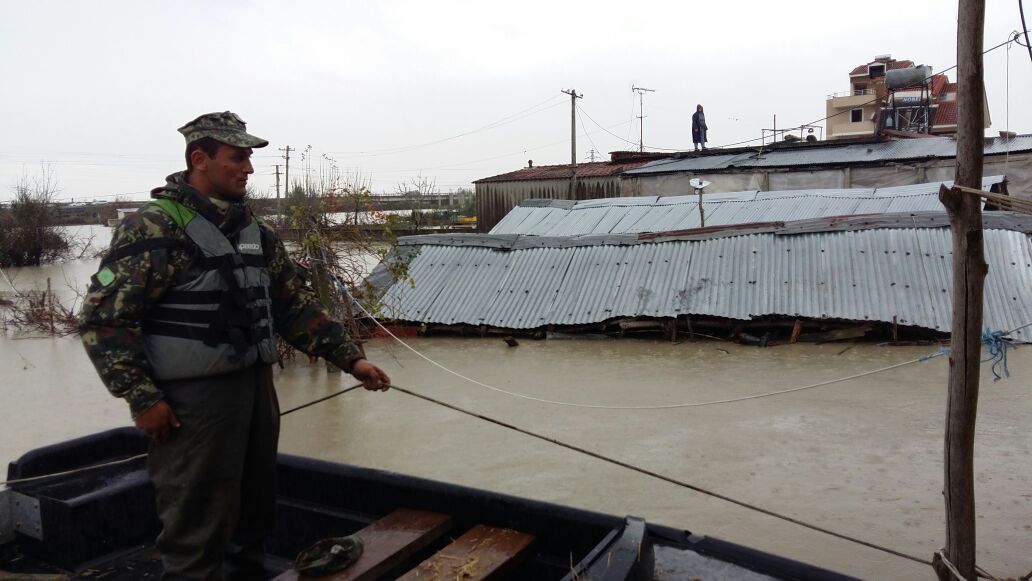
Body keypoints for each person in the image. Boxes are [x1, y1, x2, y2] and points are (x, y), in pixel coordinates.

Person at [79, 111, 391, 580]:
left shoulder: (254, 232)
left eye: (249, 159)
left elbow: (293, 305)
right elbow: (104, 320)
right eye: (237, 158)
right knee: (196, 529)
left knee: (253, 518)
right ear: (199, 159)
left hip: (255, 394)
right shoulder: (154, 227)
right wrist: (143, 398)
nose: (247, 168)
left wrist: (350, 357)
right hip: (192, 405)